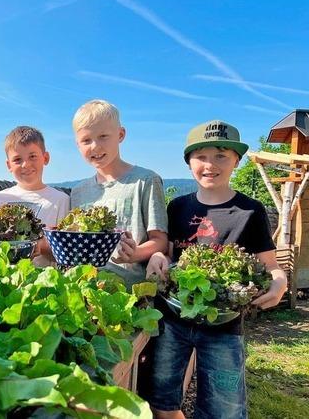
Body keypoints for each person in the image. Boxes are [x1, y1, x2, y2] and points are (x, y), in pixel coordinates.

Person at [143, 120, 287, 419]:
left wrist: (280, 283)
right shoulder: (178, 207)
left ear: (236, 160)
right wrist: (157, 256)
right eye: (201, 156)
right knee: (161, 401)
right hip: (174, 320)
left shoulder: (250, 211)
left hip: (224, 327)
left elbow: (271, 267)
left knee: (224, 410)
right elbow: (168, 256)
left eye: (221, 155)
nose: (211, 165)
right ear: (189, 162)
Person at [70, 99, 168, 284]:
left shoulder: (145, 181)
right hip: (88, 291)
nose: (95, 146)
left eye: (103, 136)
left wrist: (135, 253)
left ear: (120, 134)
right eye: (86, 140)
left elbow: (160, 240)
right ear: (77, 144)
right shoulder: (77, 192)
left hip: (135, 293)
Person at [0, 126, 69, 265]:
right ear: (8, 165)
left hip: (47, 283)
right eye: (17, 159)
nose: (25, 164)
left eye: (32, 156)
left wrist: (41, 247)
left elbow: (67, 252)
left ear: (45, 158)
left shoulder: (60, 200)